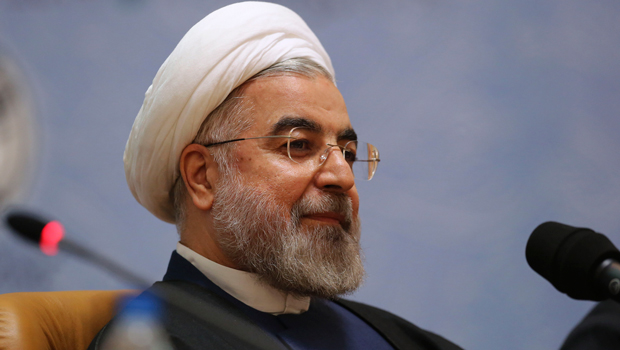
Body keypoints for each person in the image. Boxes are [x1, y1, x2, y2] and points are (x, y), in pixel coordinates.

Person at [89, 2, 462, 349]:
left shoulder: (404, 340)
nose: (343, 177)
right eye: (299, 145)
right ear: (203, 176)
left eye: (348, 154)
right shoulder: (151, 341)